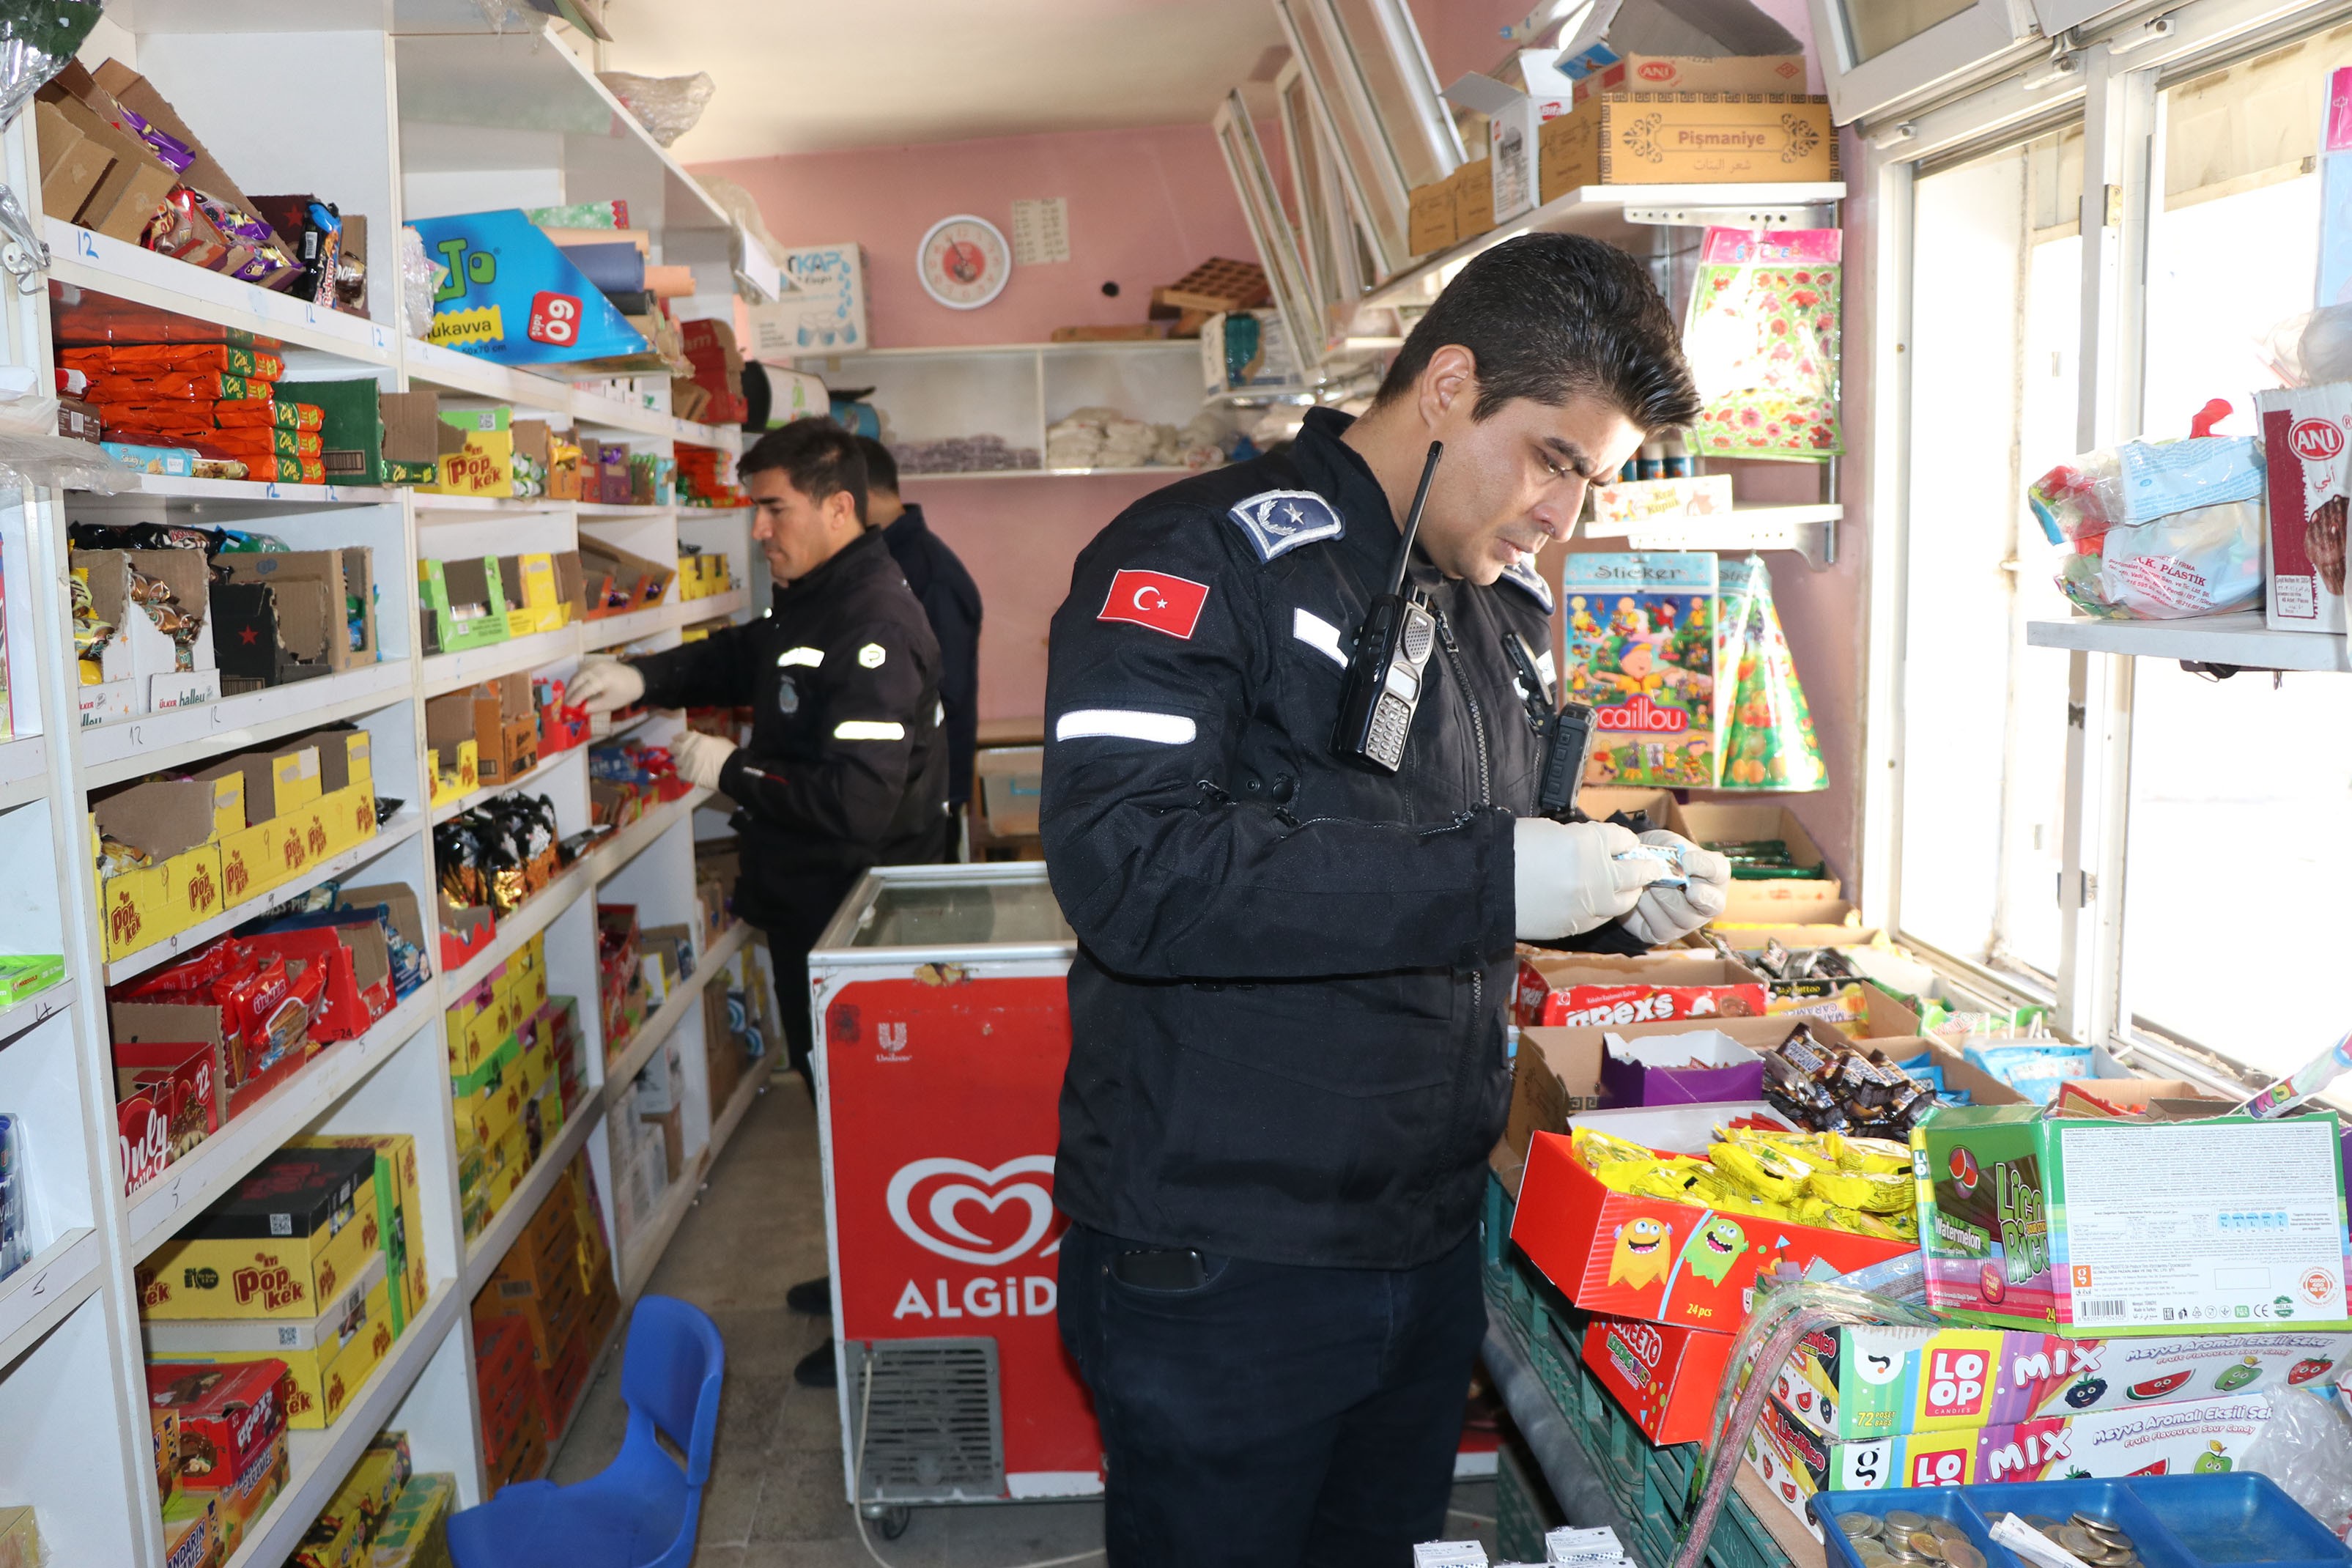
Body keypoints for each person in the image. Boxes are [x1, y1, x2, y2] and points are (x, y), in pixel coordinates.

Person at [1038, 233, 1733, 1567]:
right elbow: (1133, 869)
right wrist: (1503, 872)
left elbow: (1453, 846)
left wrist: (1609, 880)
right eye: (1556, 462)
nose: (1564, 518)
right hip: (1225, 1254)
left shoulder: (1482, 602)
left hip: (1418, 1240)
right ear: (1451, 385)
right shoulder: (1202, 555)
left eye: (1593, 482)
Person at [568, 420, 950, 1391]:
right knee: (843, 1123)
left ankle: (890, 1320)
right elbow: (750, 658)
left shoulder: (872, 620)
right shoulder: (816, 602)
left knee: (872, 1128)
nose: (759, 529)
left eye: (773, 507)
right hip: (812, 915)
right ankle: (866, 1274)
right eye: (754, 508)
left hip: (857, 924)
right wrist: (645, 678)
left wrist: (727, 770)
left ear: (837, 506)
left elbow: (856, 806)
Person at [858, 435, 983, 834]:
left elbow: (946, 692)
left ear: (859, 494)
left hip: (920, 794)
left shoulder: (929, 574)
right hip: (885, 787)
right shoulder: (876, 563)